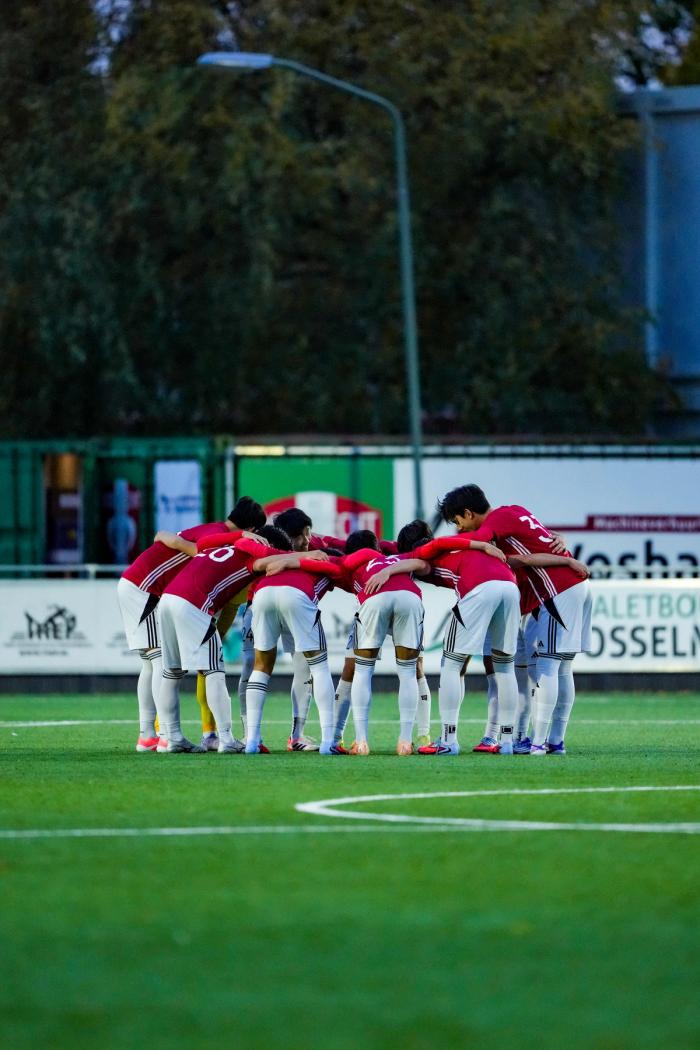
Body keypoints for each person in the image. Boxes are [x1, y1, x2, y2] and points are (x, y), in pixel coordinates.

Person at [438, 485, 593, 755]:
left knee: (548, 666)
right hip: (572, 586)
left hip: (560, 589)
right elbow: (548, 540)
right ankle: (553, 741)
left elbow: (481, 542)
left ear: (468, 512)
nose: (460, 529)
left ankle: (539, 743)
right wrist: (561, 547)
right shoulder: (516, 511)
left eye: (458, 521)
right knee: (562, 668)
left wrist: (437, 547)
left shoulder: (495, 522)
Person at [116, 496, 265, 753]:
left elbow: (162, 536)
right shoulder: (217, 534)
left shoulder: (211, 529)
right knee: (162, 663)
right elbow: (196, 549)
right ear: (251, 530)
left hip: (141, 586)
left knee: (153, 662)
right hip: (145, 589)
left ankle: (152, 735)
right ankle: (164, 735)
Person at [155, 524, 281, 753]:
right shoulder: (253, 559)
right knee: (214, 671)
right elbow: (268, 561)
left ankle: (171, 737)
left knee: (171, 672)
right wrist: (308, 555)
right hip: (193, 604)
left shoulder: (222, 545)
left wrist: (240, 534)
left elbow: (194, 544)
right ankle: (226, 739)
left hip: (167, 600)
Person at [229, 532, 341, 755]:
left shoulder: (281, 560)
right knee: (318, 667)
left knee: (260, 667)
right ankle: (329, 742)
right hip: (296, 597)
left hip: (262, 596)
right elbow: (339, 571)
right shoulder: (327, 564)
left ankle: (251, 740)